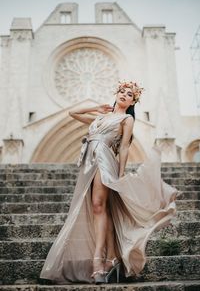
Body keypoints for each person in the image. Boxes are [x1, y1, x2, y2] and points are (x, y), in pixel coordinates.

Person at [40, 81, 178, 285]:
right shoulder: (100, 117)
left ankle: (98, 262)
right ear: (116, 94)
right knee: (99, 208)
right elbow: (73, 113)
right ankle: (110, 258)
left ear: (133, 101)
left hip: (104, 158)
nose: (124, 95)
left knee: (98, 205)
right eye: (122, 91)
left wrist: (120, 175)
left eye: (129, 94)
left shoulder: (127, 119)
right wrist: (96, 107)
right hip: (88, 160)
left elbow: (123, 148)